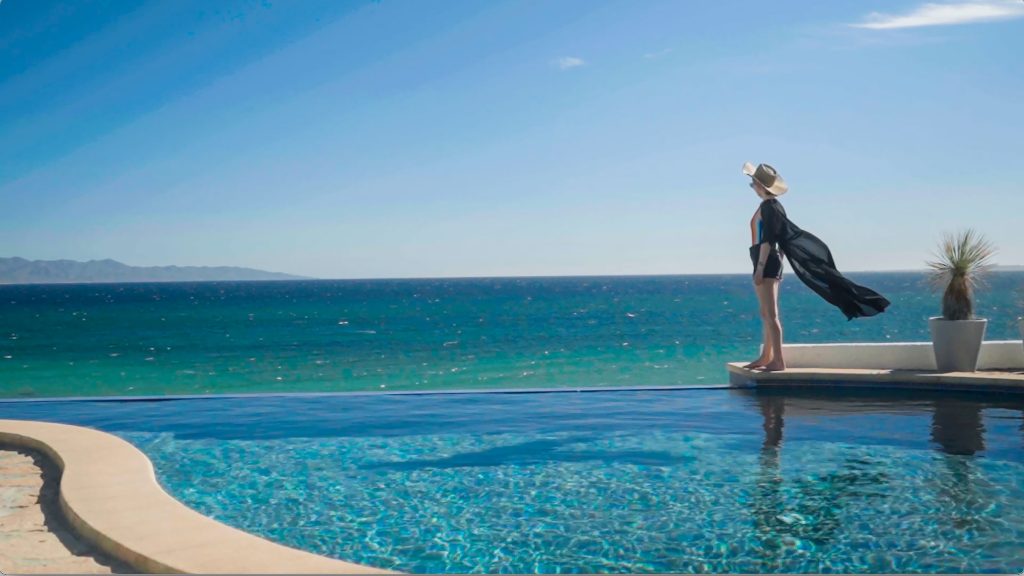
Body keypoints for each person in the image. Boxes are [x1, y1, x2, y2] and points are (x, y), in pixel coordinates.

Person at [742, 162, 890, 372]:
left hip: (764, 260)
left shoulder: (769, 207)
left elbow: (768, 240)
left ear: (760, 185)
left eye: (752, 184)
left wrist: (760, 267)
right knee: (766, 313)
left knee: (770, 314)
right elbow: (780, 238)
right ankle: (766, 356)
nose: (752, 187)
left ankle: (777, 361)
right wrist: (774, 264)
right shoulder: (771, 206)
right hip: (767, 260)